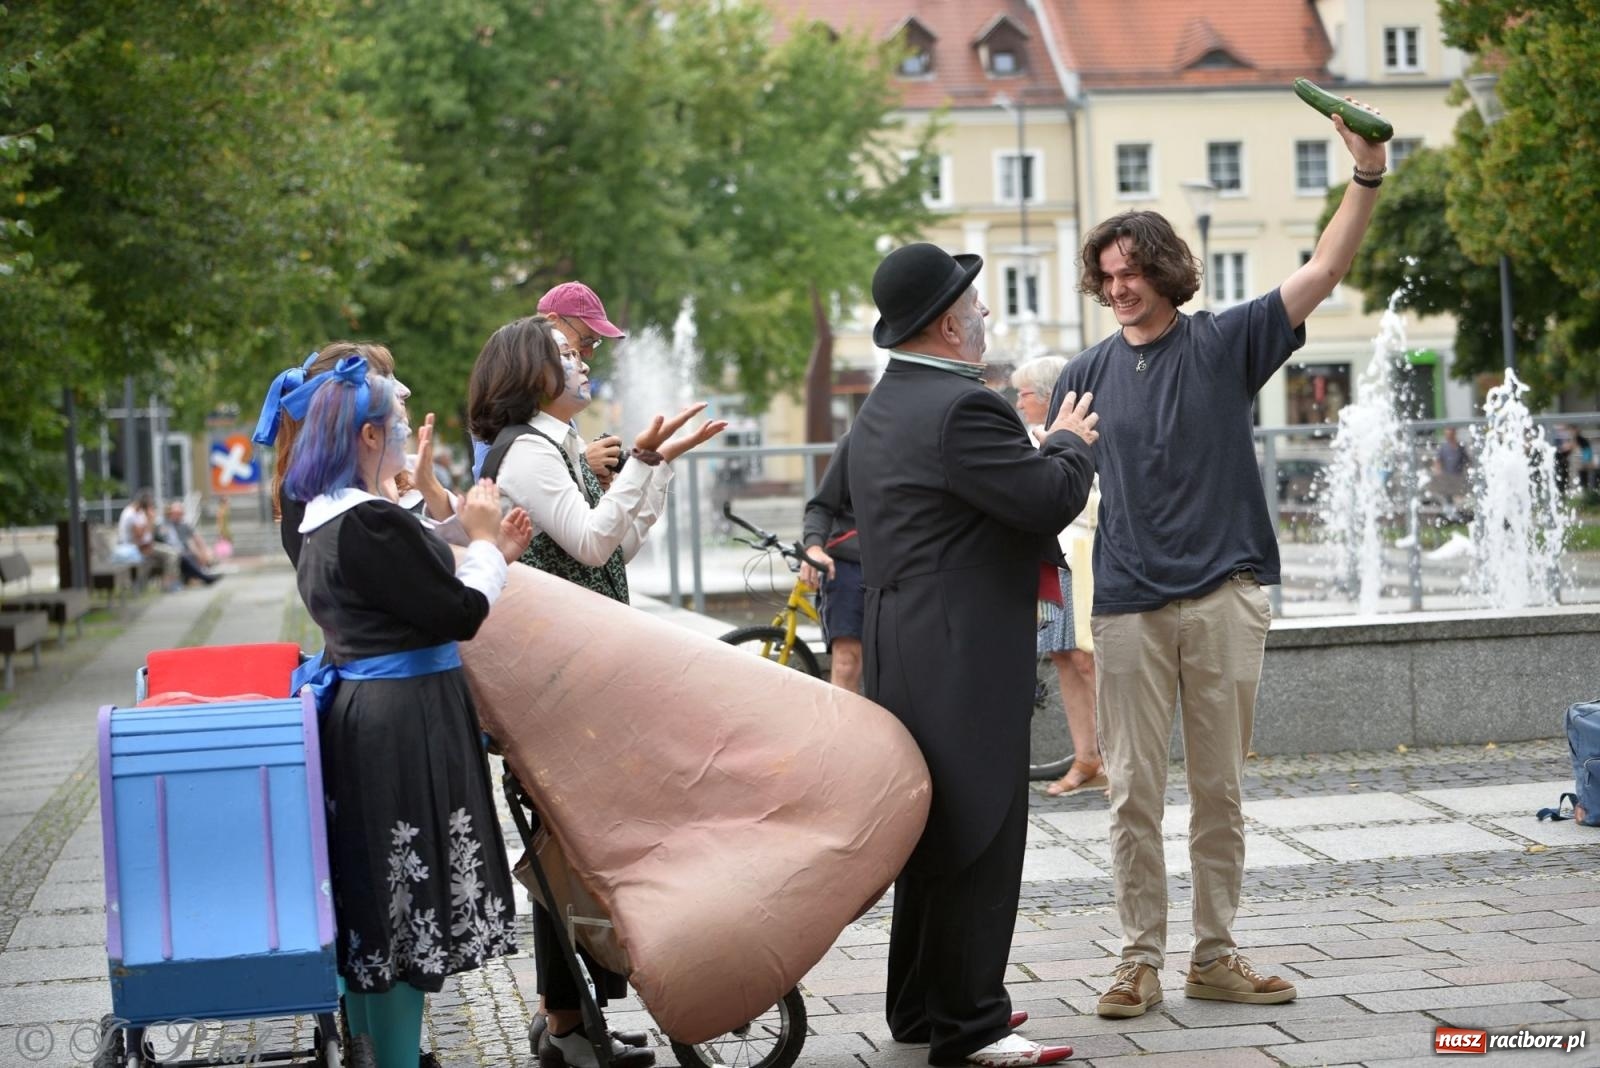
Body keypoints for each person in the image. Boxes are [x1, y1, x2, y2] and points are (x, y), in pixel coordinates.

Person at [1047, 106, 1388, 1019]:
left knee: (1218, 793)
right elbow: (1044, 474)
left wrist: (1365, 178)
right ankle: (1137, 960)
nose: (1119, 287)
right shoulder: (1084, 371)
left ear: (1165, 272)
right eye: (1107, 275)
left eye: (1133, 272)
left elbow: (1323, 271)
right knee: (1130, 796)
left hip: (1224, 597)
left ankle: (1215, 954)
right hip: (1124, 605)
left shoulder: (1226, 341)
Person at [846, 243, 1098, 1067]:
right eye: (979, 308)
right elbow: (1043, 501)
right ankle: (972, 1025)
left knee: (929, 827)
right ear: (951, 325)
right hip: (959, 647)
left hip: (900, 640)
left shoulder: (885, 403)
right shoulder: (967, 409)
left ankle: (921, 1007)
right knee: (981, 829)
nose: (987, 317)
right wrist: (1066, 441)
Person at [466, 315, 725, 1068]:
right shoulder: (526, 453)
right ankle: (565, 1021)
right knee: (564, 846)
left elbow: (617, 548)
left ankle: (577, 1017)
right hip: (557, 680)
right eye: (567, 354)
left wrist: (656, 468)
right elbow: (588, 541)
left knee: (577, 844)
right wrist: (642, 462)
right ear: (531, 373)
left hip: (584, 666)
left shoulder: (559, 443)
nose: (582, 364)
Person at [281, 356, 518, 1068]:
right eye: (398, 421)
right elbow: (459, 611)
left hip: (372, 711)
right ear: (365, 437)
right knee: (401, 907)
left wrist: (486, 547)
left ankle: (377, 1051)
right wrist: (482, 540)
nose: (410, 427)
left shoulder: (325, 518)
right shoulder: (367, 524)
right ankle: (392, 1059)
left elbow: (406, 588)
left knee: (377, 901)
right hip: (402, 721)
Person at [1012, 356, 1104, 797]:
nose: (1018, 401)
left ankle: (1118, 759)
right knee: (1065, 656)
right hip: (1051, 553)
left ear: (1047, 397)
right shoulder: (1023, 438)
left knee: (1089, 659)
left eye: (1024, 394)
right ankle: (1086, 758)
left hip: (1084, 551)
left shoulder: (1081, 428)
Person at [470, 281, 629, 485]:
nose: (589, 354)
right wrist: (583, 465)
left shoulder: (553, 395)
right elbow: (492, 479)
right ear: (553, 322)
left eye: (595, 343)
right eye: (586, 340)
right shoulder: (509, 385)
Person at [799, 432, 864, 693]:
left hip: (908, 566)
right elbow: (821, 507)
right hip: (850, 564)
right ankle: (842, 732)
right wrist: (814, 548)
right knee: (847, 661)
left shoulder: (935, 436)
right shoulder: (857, 440)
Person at [114, 488, 180, 589]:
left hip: (143, 546)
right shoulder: (130, 514)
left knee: (172, 551)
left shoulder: (138, 512)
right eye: (149, 504)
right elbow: (139, 537)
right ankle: (168, 585)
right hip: (134, 549)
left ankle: (168, 583)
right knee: (171, 554)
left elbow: (148, 534)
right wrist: (150, 519)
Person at [159, 501, 222, 586]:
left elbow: (197, 538)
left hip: (183, 551)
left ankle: (203, 575)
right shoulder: (165, 525)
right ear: (171, 513)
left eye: (180, 513)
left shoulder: (184, 525)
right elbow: (166, 541)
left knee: (193, 553)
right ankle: (205, 577)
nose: (179, 516)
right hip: (174, 552)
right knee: (187, 556)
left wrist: (204, 551)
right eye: (176, 513)